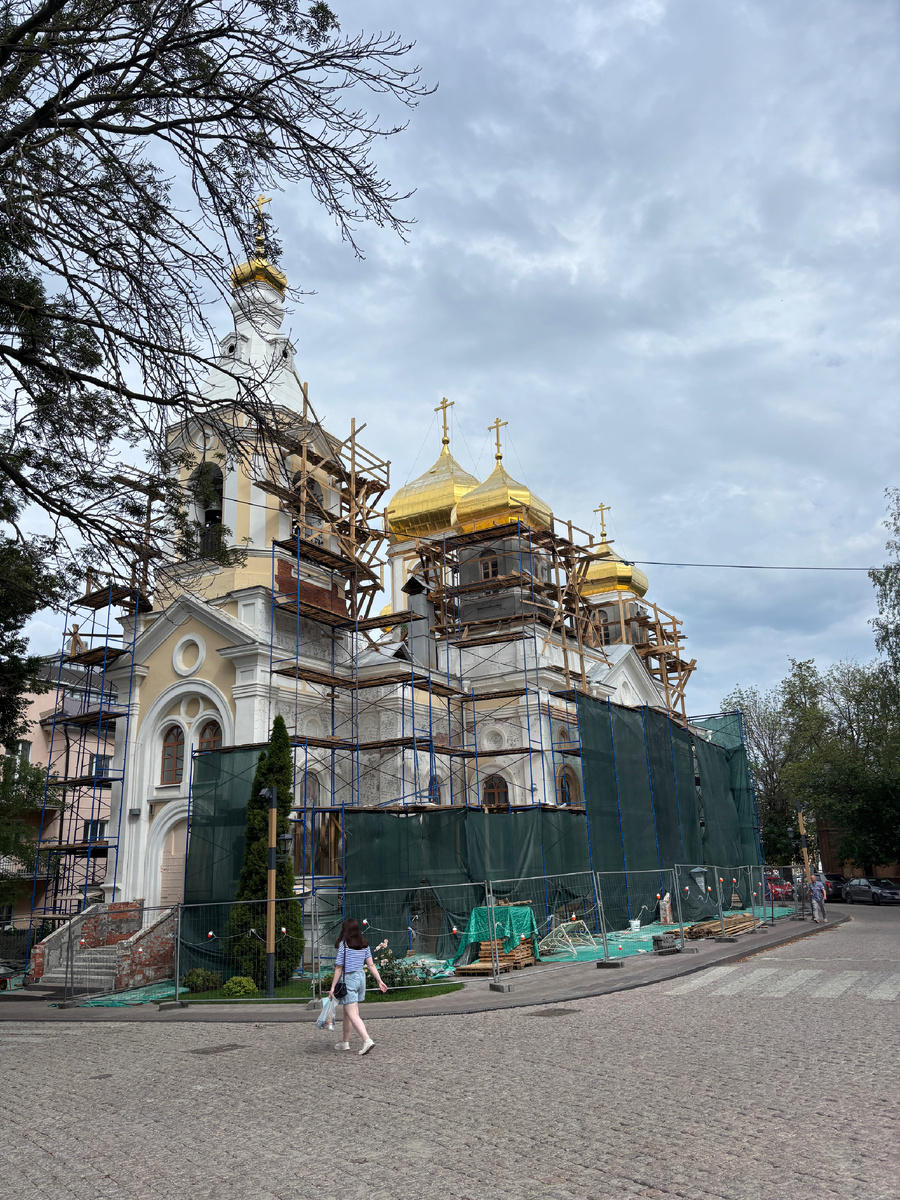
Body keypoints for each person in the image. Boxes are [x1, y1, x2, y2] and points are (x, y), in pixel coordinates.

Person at [329, 918, 387, 1055]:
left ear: (345, 930)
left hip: (348, 979)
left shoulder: (344, 946)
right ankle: (345, 1042)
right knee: (347, 1012)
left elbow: (338, 968)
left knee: (352, 1014)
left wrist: (332, 988)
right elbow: (371, 965)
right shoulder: (364, 945)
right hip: (360, 978)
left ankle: (367, 1040)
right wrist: (379, 980)